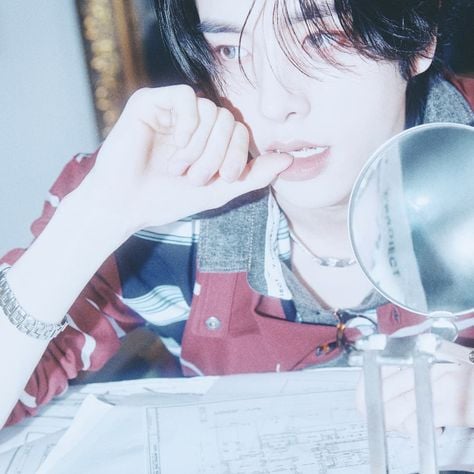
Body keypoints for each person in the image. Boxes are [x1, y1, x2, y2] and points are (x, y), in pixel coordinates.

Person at [0, 0, 473, 439]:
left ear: (418, 39)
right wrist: (95, 219)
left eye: (322, 39)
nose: (275, 104)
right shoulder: (157, 196)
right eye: (229, 50)